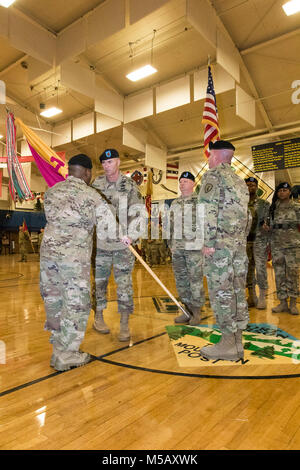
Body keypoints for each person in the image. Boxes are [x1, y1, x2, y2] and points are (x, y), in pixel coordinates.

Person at [40, 154, 110, 371]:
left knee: (54, 301)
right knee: (76, 304)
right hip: (73, 259)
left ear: (70, 171)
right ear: (87, 173)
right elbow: (109, 227)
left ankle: (58, 350)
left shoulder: (50, 192)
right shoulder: (92, 196)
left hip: (48, 257)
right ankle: (67, 354)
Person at [197, 140, 251, 361]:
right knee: (237, 290)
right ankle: (237, 342)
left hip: (219, 247)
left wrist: (207, 242)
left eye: (209, 155)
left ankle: (228, 343)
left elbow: (206, 211)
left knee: (222, 293)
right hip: (238, 246)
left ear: (216, 156)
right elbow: (248, 217)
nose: (208, 159)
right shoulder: (240, 181)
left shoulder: (213, 176)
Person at [92, 148, 143, 341]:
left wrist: (131, 235)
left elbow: (138, 213)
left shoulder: (129, 186)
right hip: (102, 245)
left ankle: (124, 323)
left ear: (118, 162)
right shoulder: (96, 184)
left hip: (123, 246)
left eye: (110, 162)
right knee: (100, 283)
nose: (106, 166)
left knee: (124, 285)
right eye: (104, 163)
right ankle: (98, 317)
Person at [169, 171, 205, 326]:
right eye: (180, 181)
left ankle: (197, 313)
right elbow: (170, 225)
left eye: (185, 181)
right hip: (177, 248)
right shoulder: (175, 203)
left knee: (195, 280)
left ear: (193, 184)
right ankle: (187, 311)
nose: (181, 184)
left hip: (194, 248)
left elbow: (205, 224)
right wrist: (170, 244)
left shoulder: (200, 202)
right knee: (181, 280)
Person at [265, 182, 300, 315]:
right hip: (277, 245)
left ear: (290, 192)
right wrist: (266, 227)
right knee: (279, 274)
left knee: (293, 274)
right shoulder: (273, 208)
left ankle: (293, 303)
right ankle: (283, 303)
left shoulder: (296, 207)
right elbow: (268, 225)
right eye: (280, 190)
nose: (282, 193)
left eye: (285, 190)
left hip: (293, 245)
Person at [245, 177, 270, 309]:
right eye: (248, 185)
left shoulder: (264, 204)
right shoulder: (240, 204)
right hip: (245, 241)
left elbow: (269, 222)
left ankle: (261, 296)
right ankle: (251, 295)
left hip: (259, 241)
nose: (251, 187)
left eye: (253, 185)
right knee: (248, 270)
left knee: (260, 269)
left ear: (257, 187)